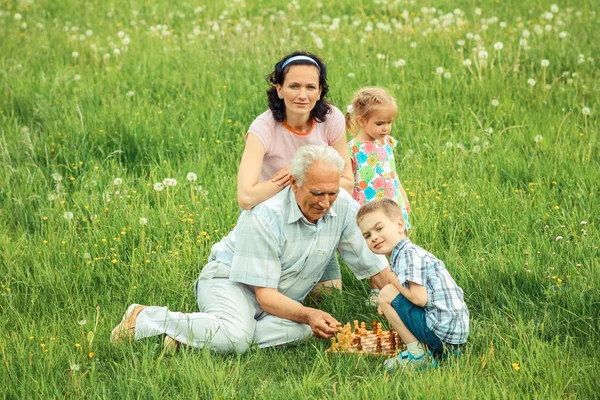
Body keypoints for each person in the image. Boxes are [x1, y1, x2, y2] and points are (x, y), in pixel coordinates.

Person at [112, 146, 398, 353]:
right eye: (316, 193)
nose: (326, 202)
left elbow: (377, 271)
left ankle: (192, 336)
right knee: (239, 337)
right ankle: (146, 317)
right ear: (295, 183)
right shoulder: (264, 215)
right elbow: (266, 297)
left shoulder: (343, 205)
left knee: (301, 330)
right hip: (230, 282)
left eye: (332, 192)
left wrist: (412, 312)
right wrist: (309, 313)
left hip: (277, 297)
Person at [237, 51, 355, 291]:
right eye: (294, 86)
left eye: (311, 87)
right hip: (276, 222)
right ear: (279, 89)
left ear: (320, 91)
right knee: (278, 300)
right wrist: (292, 177)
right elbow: (246, 197)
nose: (302, 95)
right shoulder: (263, 128)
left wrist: (304, 173)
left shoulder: (332, 119)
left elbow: (347, 183)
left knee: (330, 296)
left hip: (316, 218)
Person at [356, 198, 469, 371]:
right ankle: (445, 352)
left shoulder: (407, 256)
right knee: (388, 295)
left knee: (385, 293)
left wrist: (391, 282)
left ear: (400, 225)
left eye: (379, 228)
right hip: (455, 337)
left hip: (442, 334)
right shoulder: (410, 252)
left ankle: (418, 355)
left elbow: (419, 298)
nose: (374, 237)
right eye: (367, 235)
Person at [346, 87, 411, 304]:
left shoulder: (387, 143)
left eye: (389, 122)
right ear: (362, 121)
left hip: (392, 202)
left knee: (399, 242)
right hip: (369, 206)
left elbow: (392, 171)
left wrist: (403, 196)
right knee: (375, 247)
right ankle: (377, 289)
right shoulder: (353, 149)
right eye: (380, 123)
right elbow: (350, 180)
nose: (386, 128)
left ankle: (406, 281)